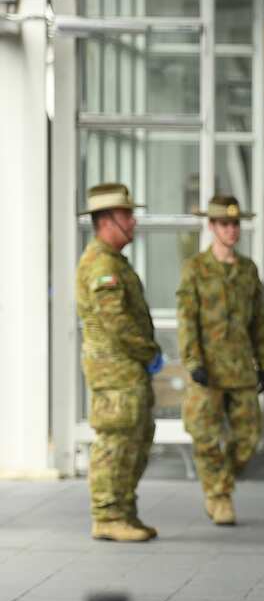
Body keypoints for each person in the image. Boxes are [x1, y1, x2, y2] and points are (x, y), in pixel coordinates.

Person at [178, 195, 264, 526]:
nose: (231, 230)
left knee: (248, 438)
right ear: (211, 227)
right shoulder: (195, 269)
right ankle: (218, 495)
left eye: (235, 224)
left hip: (240, 368)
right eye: (224, 224)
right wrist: (193, 361)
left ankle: (220, 482)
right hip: (207, 369)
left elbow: (258, 321)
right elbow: (186, 319)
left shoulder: (247, 270)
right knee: (204, 435)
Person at [75, 183, 162, 542]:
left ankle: (124, 510)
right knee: (115, 442)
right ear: (106, 220)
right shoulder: (101, 265)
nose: (133, 221)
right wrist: (149, 351)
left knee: (135, 442)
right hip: (115, 374)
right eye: (126, 215)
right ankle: (107, 515)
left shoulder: (113, 261)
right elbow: (117, 322)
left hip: (127, 373)